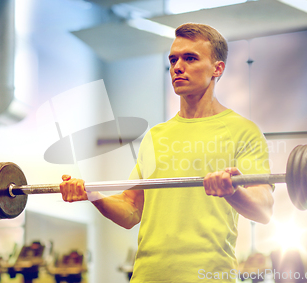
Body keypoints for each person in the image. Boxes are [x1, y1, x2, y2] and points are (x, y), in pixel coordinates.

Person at [60, 23, 274, 282]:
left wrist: (232, 191)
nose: (177, 67)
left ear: (218, 69)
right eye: (173, 59)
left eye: (190, 58)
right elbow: (130, 210)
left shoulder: (243, 131)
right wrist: (93, 194)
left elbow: (263, 210)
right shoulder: (156, 136)